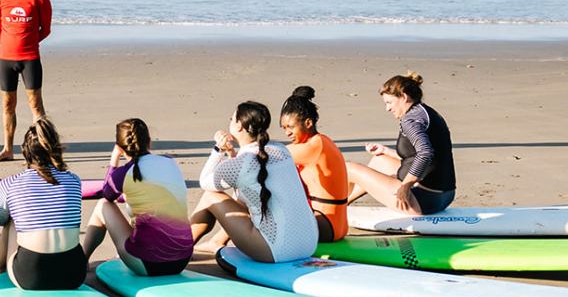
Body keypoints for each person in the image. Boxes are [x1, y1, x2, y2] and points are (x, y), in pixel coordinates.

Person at [191, 101, 319, 263]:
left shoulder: (242, 163)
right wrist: (232, 155)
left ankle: (177, 252)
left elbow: (204, 182)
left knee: (210, 197)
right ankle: (211, 242)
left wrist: (218, 150)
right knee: (247, 200)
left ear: (238, 126)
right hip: (309, 244)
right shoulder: (282, 150)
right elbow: (247, 187)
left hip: (276, 251)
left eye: (232, 119)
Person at [0, 117, 101, 288]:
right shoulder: (74, 180)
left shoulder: (10, 183)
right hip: (74, 274)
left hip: (30, 276)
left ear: (25, 152)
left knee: (11, 219)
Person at [82, 118, 195, 276]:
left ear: (120, 147)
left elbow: (107, 194)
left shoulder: (123, 174)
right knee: (141, 205)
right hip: (182, 260)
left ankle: (82, 260)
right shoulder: (169, 162)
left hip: (148, 264)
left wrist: (113, 161)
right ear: (149, 142)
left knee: (103, 205)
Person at [346, 72, 456, 215]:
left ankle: (335, 207)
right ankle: (345, 202)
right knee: (379, 160)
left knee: (348, 168)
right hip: (444, 197)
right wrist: (385, 151)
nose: (388, 108)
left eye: (389, 103)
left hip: (421, 201)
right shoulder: (426, 112)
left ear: (404, 97)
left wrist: (405, 187)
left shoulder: (410, 121)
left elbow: (425, 153)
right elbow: (421, 155)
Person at [0, 0, 52, 161]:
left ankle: (44, 149)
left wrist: (28, 42)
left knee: (36, 105)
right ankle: (8, 149)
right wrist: (11, 45)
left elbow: (46, 29)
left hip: (30, 58)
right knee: (8, 105)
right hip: (6, 59)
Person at [280, 86, 350, 242]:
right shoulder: (319, 141)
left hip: (326, 224)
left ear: (308, 123)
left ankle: (220, 241)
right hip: (330, 222)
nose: (287, 133)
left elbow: (270, 154)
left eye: (291, 127)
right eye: (284, 128)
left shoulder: (315, 147)